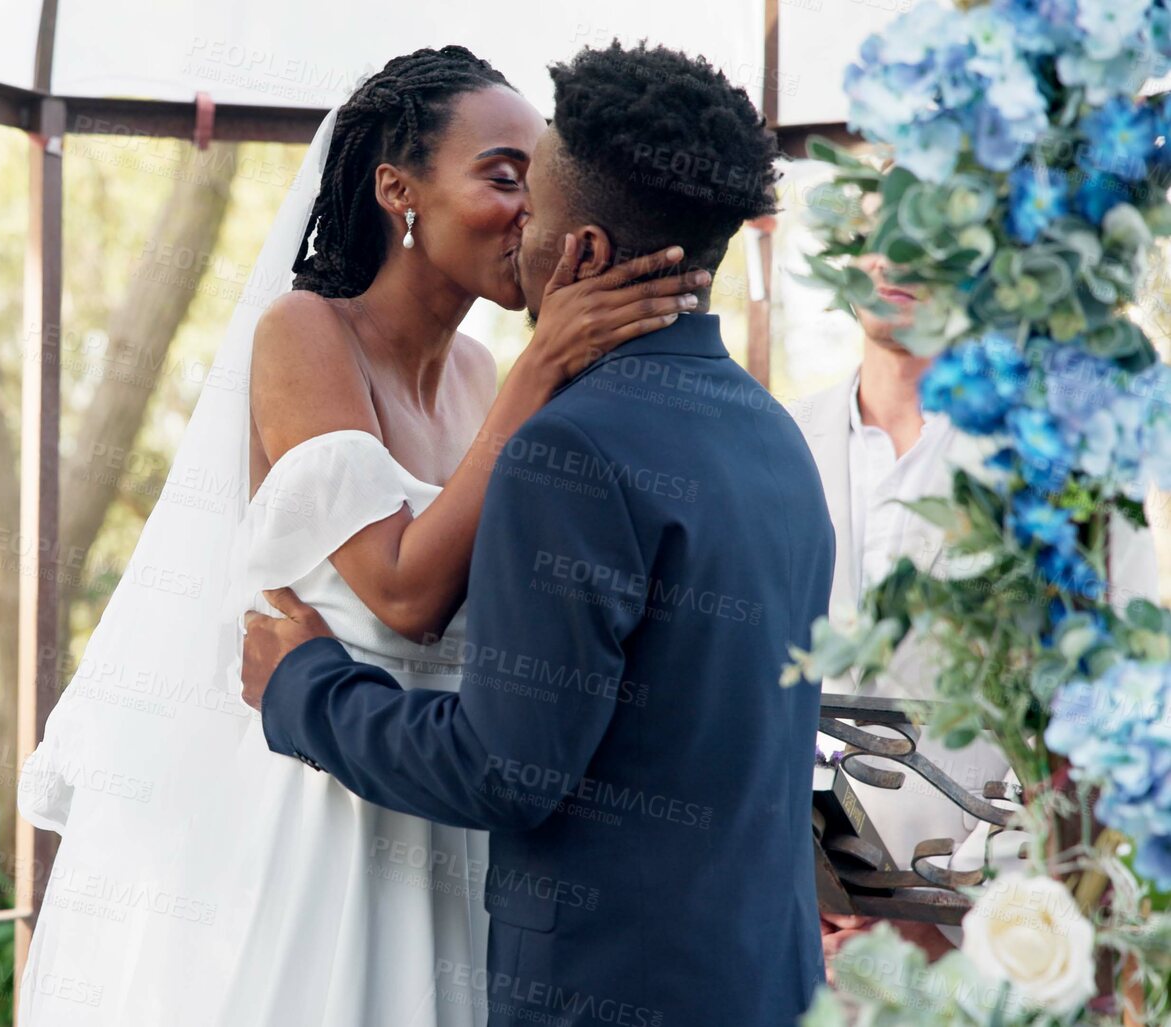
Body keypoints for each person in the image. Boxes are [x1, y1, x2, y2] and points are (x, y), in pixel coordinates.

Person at [17, 45, 699, 1027]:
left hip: (448, 814)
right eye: (502, 177)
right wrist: (544, 363)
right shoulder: (306, 335)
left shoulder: (483, 373)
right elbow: (405, 593)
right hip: (318, 823)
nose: (528, 212)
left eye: (539, 184)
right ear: (398, 191)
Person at [241, 42, 828, 1027]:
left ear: (585, 252)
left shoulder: (572, 451)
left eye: (534, 191)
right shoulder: (777, 437)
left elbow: (505, 765)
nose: (520, 223)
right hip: (760, 981)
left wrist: (302, 684)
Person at [788, 246, 1163, 967]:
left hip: (981, 948)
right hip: (790, 938)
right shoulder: (773, 436)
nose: (892, 255)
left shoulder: (1060, 467)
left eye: (917, 220)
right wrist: (791, 888)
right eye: (872, 227)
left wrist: (954, 921)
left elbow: (1110, 723)